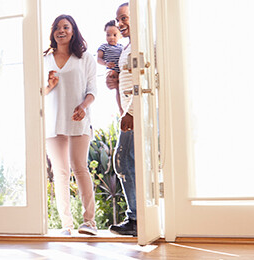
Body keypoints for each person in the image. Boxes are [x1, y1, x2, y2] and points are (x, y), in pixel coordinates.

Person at [42, 14, 98, 236]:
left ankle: (89, 222)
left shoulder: (85, 58)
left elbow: (93, 90)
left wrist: (83, 107)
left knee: (79, 167)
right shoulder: (44, 59)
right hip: (53, 120)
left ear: (73, 31)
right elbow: (40, 92)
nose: (61, 30)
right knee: (60, 172)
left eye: (66, 27)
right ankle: (66, 224)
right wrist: (49, 85)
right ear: (53, 32)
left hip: (78, 118)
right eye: (57, 27)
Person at [109, 2, 138, 237]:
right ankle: (137, 217)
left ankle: (136, 218)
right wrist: (115, 81)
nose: (120, 23)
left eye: (125, 18)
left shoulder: (146, 44)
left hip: (138, 113)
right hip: (129, 110)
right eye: (119, 19)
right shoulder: (128, 47)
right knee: (125, 162)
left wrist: (132, 113)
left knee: (123, 161)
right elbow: (128, 82)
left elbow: (148, 81)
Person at [97, 20, 125, 115]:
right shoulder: (104, 46)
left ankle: (123, 108)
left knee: (120, 89)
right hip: (111, 69)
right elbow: (98, 59)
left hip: (120, 71)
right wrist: (106, 63)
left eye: (114, 35)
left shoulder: (122, 47)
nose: (111, 37)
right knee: (112, 75)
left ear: (120, 36)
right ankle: (120, 109)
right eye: (108, 35)